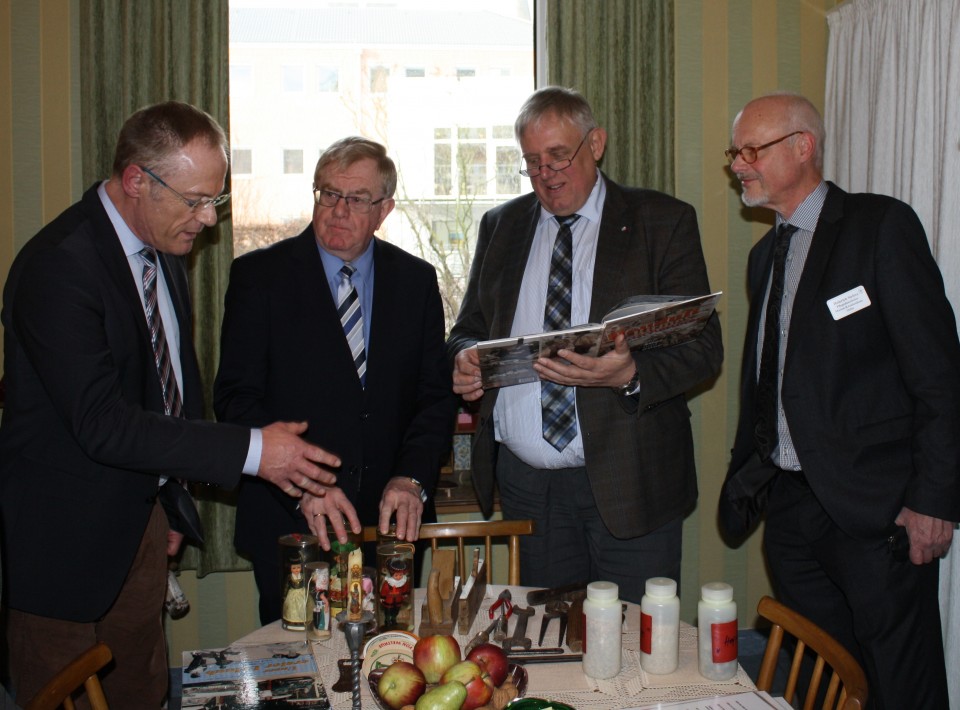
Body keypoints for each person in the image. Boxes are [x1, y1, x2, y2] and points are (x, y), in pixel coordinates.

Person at [0, 101, 341, 708]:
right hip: (64, 552)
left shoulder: (162, 254)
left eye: (217, 201)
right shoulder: (58, 267)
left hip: (142, 532)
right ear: (136, 180)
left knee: (142, 690)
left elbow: (167, 394)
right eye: (194, 200)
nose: (208, 220)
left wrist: (170, 501)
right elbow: (102, 424)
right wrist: (256, 450)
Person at [719, 92, 960, 709]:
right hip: (794, 510)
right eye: (734, 152)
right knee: (824, 681)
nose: (738, 165)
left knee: (901, 686)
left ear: (803, 146)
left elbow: (938, 375)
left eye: (752, 150)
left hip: (877, 515)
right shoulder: (763, 256)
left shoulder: (880, 227)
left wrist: (933, 499)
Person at [447, 86, 723, 603]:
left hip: (631, 483)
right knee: (546, 645)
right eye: (531, 162)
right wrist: (463, 358)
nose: (545, 174)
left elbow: (703, 347)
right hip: (528, 491)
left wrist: (629, 374)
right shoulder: (501, 226)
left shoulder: (661, 222)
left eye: (558, 156)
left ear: (595, 143)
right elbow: (469, 328)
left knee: (640, 652)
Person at [214, 136, 455, 624]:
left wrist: (411, 479)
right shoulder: (259, 277)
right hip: (293, 521)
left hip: (391, 526)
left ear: (384, 209)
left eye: (357, 199)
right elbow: (236, 400)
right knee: (299, 674)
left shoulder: (416, 281)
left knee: (390, 658)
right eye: (329, 194)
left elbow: (434, 397)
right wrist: (305, 484)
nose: (339, 211)